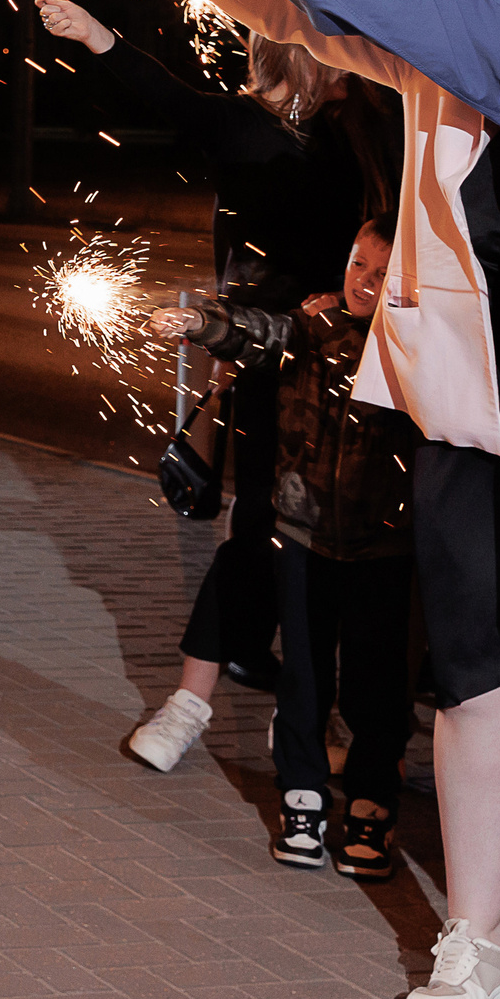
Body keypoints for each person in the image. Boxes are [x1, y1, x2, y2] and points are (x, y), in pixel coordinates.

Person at [50, 0, 500, 999]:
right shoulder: (459, 56)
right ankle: (479, 941)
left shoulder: (499, 36)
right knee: (475, 679)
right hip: (474, 418)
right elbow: (289, 9)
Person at [35, 0, 391, 755]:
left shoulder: (354, 126)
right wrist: (95, 30)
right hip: (269, 357)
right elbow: (163, 91)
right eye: (341, 42)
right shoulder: (243, 124)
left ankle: (318, 714)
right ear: (310, 49)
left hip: (359, 361)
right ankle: (190, 704)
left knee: (348, 541)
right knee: (263, 528)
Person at [148, 217, 417, 879]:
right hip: (300, 536)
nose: (363, 282)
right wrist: (195, 322)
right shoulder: (313, 329)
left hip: (382, 548)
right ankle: (301, 802)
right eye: (357, 264)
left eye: (382, 274)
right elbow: (256, 329)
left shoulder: (413, 351)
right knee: (302, 676)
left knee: (375, 684)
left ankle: (370, 806)